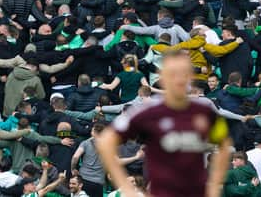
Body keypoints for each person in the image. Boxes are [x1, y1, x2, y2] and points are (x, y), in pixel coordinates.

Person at [96, 50, 232, 197]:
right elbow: (105, 141)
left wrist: (215, 184)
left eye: (184, 73)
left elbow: (225, 145)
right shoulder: (146, 112)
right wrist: (126, 189)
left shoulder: (205, 111)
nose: (179, 79)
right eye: (173, 73)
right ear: (163, 77)